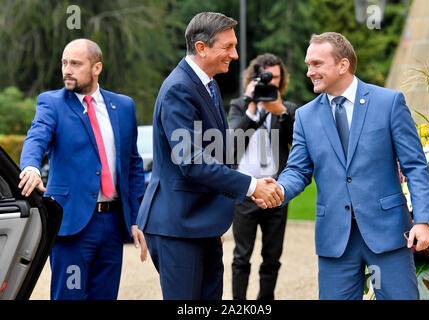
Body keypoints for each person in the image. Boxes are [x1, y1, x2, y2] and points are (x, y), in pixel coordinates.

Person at [254, 32, 429, 300]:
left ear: (342, 65)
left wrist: (423, 220)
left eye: (317, 64)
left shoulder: (389, 103)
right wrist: (278, 188)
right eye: (307, 65)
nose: (309, 72)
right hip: (335, 240)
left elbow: (415, 166)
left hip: (388, 234)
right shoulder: (305, 116)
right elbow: (298, 171)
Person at [136, 12, 283, 300]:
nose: (235, 54)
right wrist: (252, 187)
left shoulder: (208, 83)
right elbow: (192, 161)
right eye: (227, 47)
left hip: (201, 224)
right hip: (178, 227)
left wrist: (217, 214)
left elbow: (218, 150)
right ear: (201, 47)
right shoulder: (179, 88)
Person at [19, 39, 147, 300]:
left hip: (112, 224)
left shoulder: (123, 106)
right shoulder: (52, 103)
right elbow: (36, 137)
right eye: (64, 63)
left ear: (97, 67)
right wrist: (31, 166)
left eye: (76, 64)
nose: (67, 69)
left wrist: (136, 219)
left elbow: (132, 164)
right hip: (72, 225)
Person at [228, 53, 299, 300]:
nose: (270, 83)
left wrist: (280, 111)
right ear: (253, 79)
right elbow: (231, 142)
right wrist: (252, 110)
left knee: (272, 256)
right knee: (241, 256)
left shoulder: (288, 109)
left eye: (275, 78)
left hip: (276, 191)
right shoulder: (239, 105)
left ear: (281, 80)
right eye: (265, 78)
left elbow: (299, 141)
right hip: (245, 190)